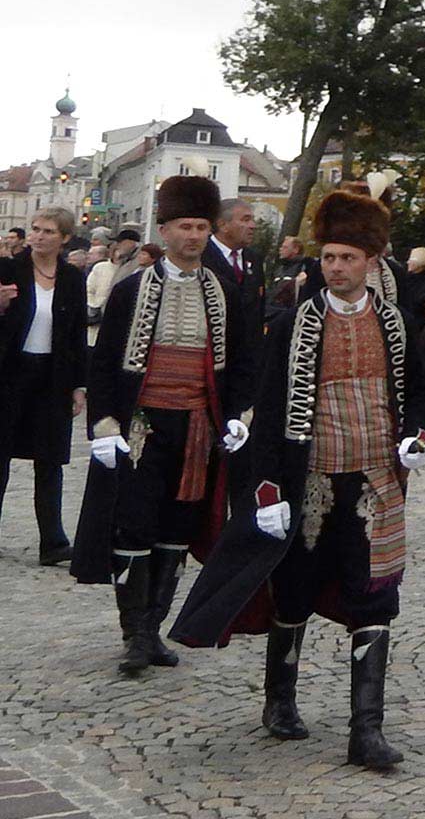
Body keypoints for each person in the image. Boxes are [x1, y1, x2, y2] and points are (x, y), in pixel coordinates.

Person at [171, 188, 425, 772]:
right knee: (295, 590)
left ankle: (367, 729)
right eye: (329, 258)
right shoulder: (293, 325)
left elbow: (418, 393)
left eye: (347, 258)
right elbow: (266, 411)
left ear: (371, 263)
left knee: (375, 597)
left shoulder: (398, 324)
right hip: (309, 479)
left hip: (377, 481)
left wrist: (416, 436)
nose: (335, 268)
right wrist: (265, 491)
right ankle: (280, 700)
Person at [71, 177, 254, 675]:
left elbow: (242, 364)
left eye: (200, 227)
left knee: (178, 527)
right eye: (183, 227)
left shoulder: (225, 293)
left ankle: (153, 627)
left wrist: (238, 416)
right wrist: (106, 422)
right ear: (166, 229)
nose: (193, 236)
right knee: (133, 524)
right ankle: (134, 633)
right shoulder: (131, 290)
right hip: (141, 427)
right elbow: (105, 361)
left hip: (196, 427)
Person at [0, 207, 88, 564]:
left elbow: (78, 333)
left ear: (64, 238)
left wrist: (79, 385)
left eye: (48, 231)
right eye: (35, 229)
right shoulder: (8, 269)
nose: (38, 236)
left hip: (53, 376)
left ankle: (52, 542)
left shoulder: (71, 278)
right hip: (9, 372)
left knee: (49, 461)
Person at [205, 196, 266, 320]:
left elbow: (258, 310)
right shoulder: (201, 257)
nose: (253, 226)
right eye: (245, 220)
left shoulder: (254, 259)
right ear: (223, 225)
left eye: (252, 219)